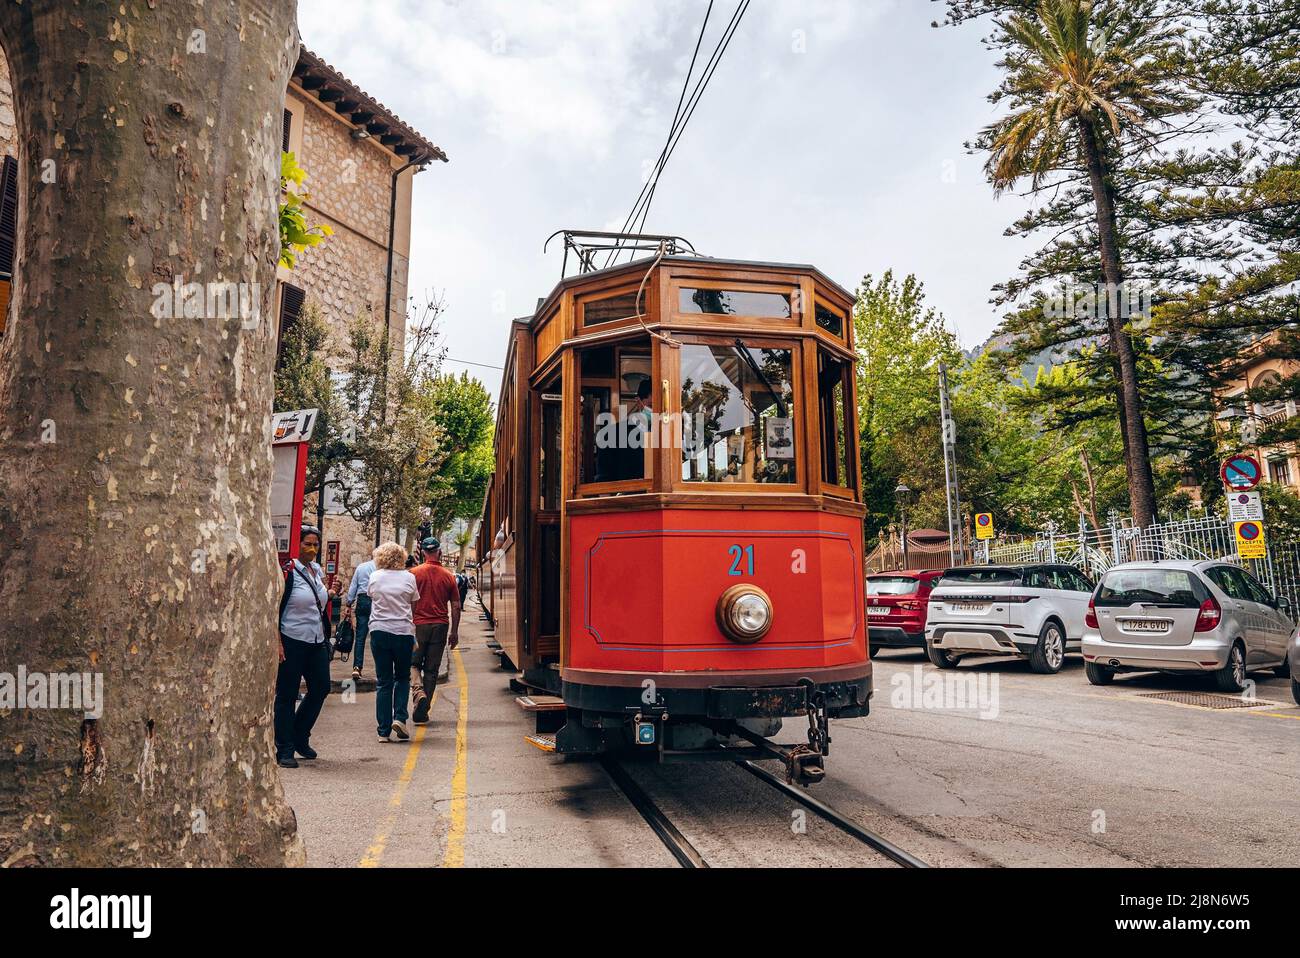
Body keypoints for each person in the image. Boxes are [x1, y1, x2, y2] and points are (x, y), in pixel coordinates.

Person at [274, 526, 332, 768]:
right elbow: (274, 608)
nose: (312, 549)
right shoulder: (287, 572)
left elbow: (317, 602)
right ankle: (284, 748)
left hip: (316, 639)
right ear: (297, 545)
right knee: (287, 695)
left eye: (315, 545)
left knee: (321, 688)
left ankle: (300, 735)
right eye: (307, 544)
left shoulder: (316, 570)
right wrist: (276, 641)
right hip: (291, 639)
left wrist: (330, 592)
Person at [367, 541, 420, 743]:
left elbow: (372, 597)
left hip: (379, 630)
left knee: (384, 681)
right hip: (403, 632)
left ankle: (382, 731)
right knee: (402, 678)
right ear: (401, 558)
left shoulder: (374, 577)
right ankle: (399, 718)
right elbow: (413, 604)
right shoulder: (409, 577)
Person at [410, 537, 461, 725]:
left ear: (423, 553)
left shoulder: (413, 574)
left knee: (414, 664)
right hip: (440, 626)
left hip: (417, 626)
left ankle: (418, 692)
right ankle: (423, 711)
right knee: (431, 670)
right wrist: (454, 632)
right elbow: (456, 606)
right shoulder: (448, 575)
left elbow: (408, 602)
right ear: (439, 552)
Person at [345, 555, 376, 680]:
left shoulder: (361, 567)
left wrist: (349, 603)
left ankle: (357, 667)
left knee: (360, 636)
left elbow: (353, 586)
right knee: (377, 635)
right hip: (377, 600)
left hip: (362, 599)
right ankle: (380, 666)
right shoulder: (383, 568)